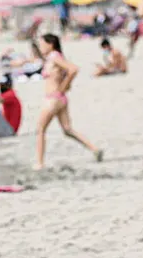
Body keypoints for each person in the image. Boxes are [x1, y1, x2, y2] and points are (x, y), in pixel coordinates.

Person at [34, 34, 102, 170]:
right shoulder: (54, 57)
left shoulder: (54, 57)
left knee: (40, 129)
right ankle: (94, 149)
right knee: (67, 130)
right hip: (60, 98)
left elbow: (73, 69)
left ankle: (39, 163)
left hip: (53, 98)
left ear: (50, 44)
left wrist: (64, 86)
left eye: (42, 44)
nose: (40, 47)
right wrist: (65, 86)